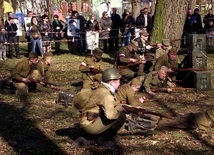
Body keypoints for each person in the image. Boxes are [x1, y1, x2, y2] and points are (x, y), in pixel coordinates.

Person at [79, 68, 126, 148]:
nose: (119, 83)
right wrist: (120, 109)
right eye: (118, 81)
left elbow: (114, 102)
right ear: (111, 82)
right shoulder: (106, 94)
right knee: (121, 116)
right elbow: (110, 116)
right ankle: (104, 140)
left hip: (87, 120)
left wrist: (130, 108)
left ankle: (94, 137)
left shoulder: (102, 88)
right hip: (90, 125)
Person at [128, 108, 214, 132]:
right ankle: (136, 124)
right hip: (197, 121)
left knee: (170, 120)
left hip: (198, 117)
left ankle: (140, 115)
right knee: (167, 124)